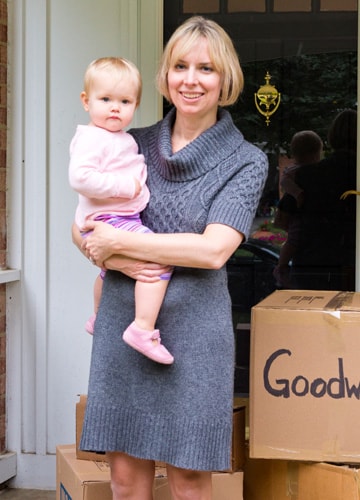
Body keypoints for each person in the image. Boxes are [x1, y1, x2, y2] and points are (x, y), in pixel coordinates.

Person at [73, 16, 268, 500]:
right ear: (165, 75)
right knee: (124, 480)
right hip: (126, 324)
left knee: (188, 483)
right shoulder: (129, 142)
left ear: (225, 79)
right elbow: (81, 228)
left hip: (196, 336)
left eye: (206, 68)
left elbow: (213, 250)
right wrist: (113, 256)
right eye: (180, 66)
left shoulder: (246, 160)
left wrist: (122, 245)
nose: (191, 79)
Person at [69, 57, 173, 364]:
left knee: (106, 269)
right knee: (160, 261)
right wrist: (125, 187)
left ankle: (98, 318)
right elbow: (80, 178)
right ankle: (142, 328)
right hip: (110, 218)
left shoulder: (119, 137)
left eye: (125, 101)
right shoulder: (92, 138)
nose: (115, 108)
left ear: (136, 104)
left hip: (115, 217)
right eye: (106, 99)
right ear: (86, 102)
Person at [290, 109, 357, 290]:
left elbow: (288, 218)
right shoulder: (353, 174)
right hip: (350, 260)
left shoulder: (307, 174)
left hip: (313, 261)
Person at [273, 130, 323, 287]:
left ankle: (281, 267)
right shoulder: (297, 172)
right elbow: (286, 184)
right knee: (292, 241)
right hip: (302, 220)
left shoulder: (298, 172)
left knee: (292, 241)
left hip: (301, 220)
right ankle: (281, 267)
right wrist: (298, 195)